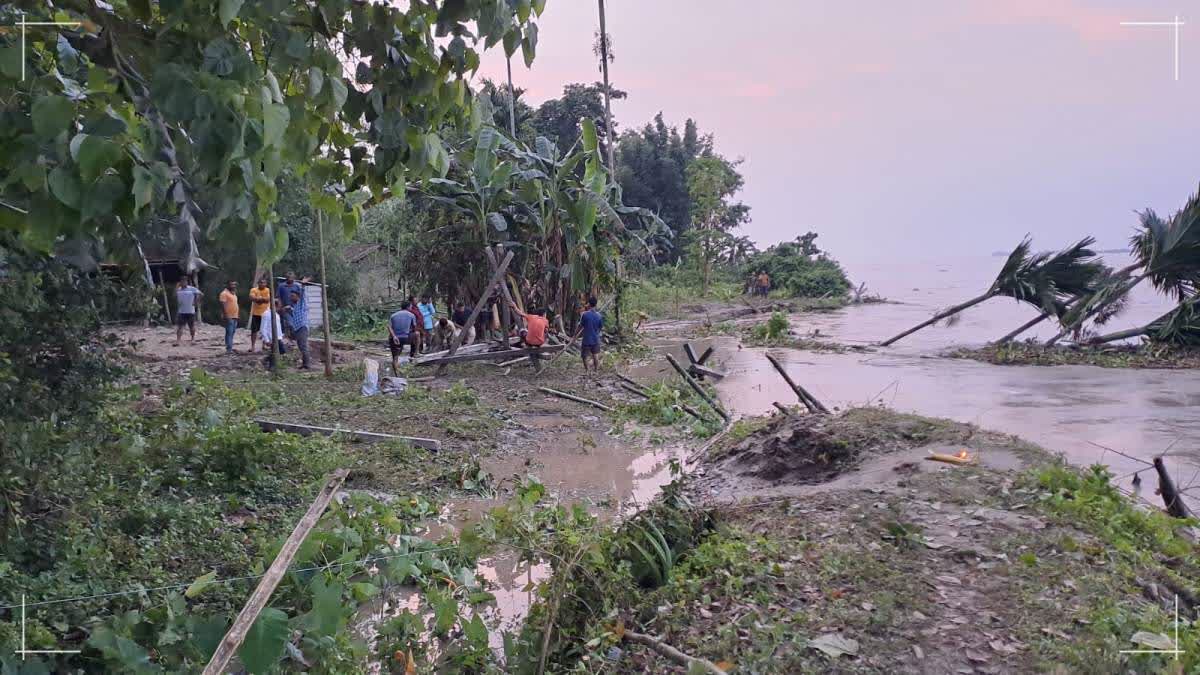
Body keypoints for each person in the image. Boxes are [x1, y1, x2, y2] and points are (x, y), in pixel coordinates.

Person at [509, 301, 548, 370]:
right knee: (545, 331)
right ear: (544, 314)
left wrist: (514, 306)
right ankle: (538, 344)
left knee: (522, 331)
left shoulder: (530, 317)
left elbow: (519, 313)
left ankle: (528, 345)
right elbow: (546, 331)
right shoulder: (545, 320)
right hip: (539, 343)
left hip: (529, 342)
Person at [388, 300, 418, 375]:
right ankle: (415, 353)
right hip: (406, 338)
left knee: (395, 357)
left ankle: (396, 374)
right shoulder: (411, 315)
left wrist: (394, 336)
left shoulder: (393, 315)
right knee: (417, 334)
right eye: (411, 306)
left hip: (394, 339)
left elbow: (389, 326)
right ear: (408, 307)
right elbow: (414, 327)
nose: (411, 307)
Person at [285, 288, 311, 369]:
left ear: (298, 297)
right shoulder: (295, 306)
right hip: (298, 329)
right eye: (291, 296)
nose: (291, 297)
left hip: (302, 327)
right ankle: (304, 364)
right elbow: (294, 315)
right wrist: (289, 310)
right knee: (301, 346)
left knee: (303, 346)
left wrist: (303, 285)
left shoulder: (301, 303)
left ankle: (307, 365)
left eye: (293, 296)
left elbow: (302, 294)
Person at [174, 277, 202, 346]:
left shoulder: (192, 288)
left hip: (190, 311)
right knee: (180, 327)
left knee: (191, 326)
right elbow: (174, 296)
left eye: (185, 281)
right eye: (182, 281)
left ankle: (193, 339)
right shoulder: (178, 289)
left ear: (187, 282)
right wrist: (176, 288)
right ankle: (178, 340)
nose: (184, 282)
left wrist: (196, 301)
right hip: (181, 311)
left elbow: (201, 294)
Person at [260, 299, 287, 369]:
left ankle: (268, 362)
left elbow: (278, 327)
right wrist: (266, 340)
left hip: (278, 337)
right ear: (275, 305)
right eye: (279, 306)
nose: (280, 308)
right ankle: (271, 366)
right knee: (279, 351)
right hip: (271, 337)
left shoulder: (276, 314)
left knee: (277, 351)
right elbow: (263, 328)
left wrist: (281, 335)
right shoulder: (266, 314)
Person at [579, 296, 604, 373]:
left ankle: (587, 371)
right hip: (595, 338)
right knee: (595, 355)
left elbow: (580, 326)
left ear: (589, 304)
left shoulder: (585, 314)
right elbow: (600, 327)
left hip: (587, 339)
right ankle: (596, 371)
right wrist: (596, 333)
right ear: (596, 304)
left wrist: (574, 335)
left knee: (584, 356)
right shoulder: (599, 315)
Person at [248, 277, 271, 352]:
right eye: (261, 282)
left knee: (265, 330)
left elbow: (267, 300)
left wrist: (259, 299)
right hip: (256, 313)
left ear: (266, 283)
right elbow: (252, 298)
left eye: (264, 282)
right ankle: (253, 346)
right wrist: (261, 299)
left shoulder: (267, 290)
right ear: (258, 283)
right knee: (254, 331)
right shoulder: (254, 290)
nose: (262, 284)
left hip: (265, 314)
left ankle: (264, 345)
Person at [219, 279, 240, 354]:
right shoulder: (224, 293)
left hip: (235, 316)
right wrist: (225, 315)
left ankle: (229, 347)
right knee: (229, 332)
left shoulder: (234, 294)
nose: (233, 286)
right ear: (228, 285)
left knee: (232, 332)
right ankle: (229, 348)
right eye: (231, 284)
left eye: (234, 284)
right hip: (229, 316)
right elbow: (223, 305)